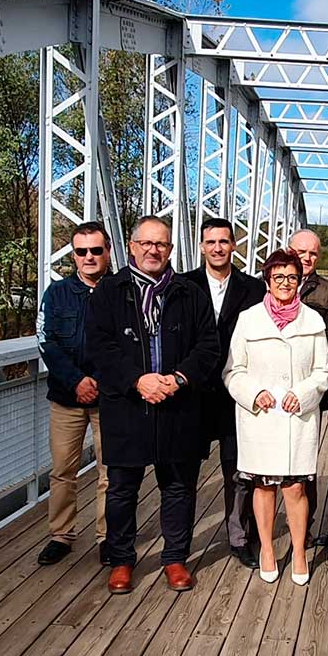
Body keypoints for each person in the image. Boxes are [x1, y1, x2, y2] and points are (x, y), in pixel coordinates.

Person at [86, 216, 220, 595]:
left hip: (178, 404)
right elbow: (100, 346)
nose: (152, 250)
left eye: (160, 244)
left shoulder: (189, 292)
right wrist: (137, 380)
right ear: (131, 247)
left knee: (178, 487)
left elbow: (207, 346)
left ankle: (175, 558)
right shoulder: (109, 292)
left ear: (171, 249)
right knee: (122, 488)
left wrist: (177, 379)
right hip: (128, 404)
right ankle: (122, 560)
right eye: (145, 243)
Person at [223, 250, 328, 586]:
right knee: (262, 486)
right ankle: (268, 549)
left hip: (297, 417)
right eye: (278, 277)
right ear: (267, 281)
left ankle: (299, 551)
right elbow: (233, 370)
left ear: (300, 281)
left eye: (292, 277)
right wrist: (254, 393)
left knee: (296, 487)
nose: (285, 283)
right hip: (260, 417)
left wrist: (302, 394)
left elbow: (324, 371)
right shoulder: (249, 319)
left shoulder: (313, 320)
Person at [182, 218, 266, 570]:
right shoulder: (184, 285)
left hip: (236, 394)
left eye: (224, 241)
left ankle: (239, 538)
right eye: (210, 241)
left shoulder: (253, 289)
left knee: (238, 472)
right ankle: (179, 546)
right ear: (201, 246)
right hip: (193, 394)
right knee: (183, 475)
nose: (217, 247)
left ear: (234, 245)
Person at [36, 221, 112, 567]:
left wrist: (97, 380)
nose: (89, 257)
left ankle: (107, 537)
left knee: (111, 472)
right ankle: (61, 535)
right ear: (73, 255)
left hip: (110, 399)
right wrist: (76, 381)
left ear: (108, 252)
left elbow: (129, 344)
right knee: (62, 470)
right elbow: (46, 342)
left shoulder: (121, 290)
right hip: (66, 397)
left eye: (96, 250)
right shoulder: (56, 294)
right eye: (81, 251)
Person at [289, 229, 328, 545]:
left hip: (310, 387)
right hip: (272, 386)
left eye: (312, 253)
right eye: (301, 251)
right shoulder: (267, 284)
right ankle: (253, 527)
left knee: (305, 461)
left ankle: (304, 526)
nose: (306, 258)